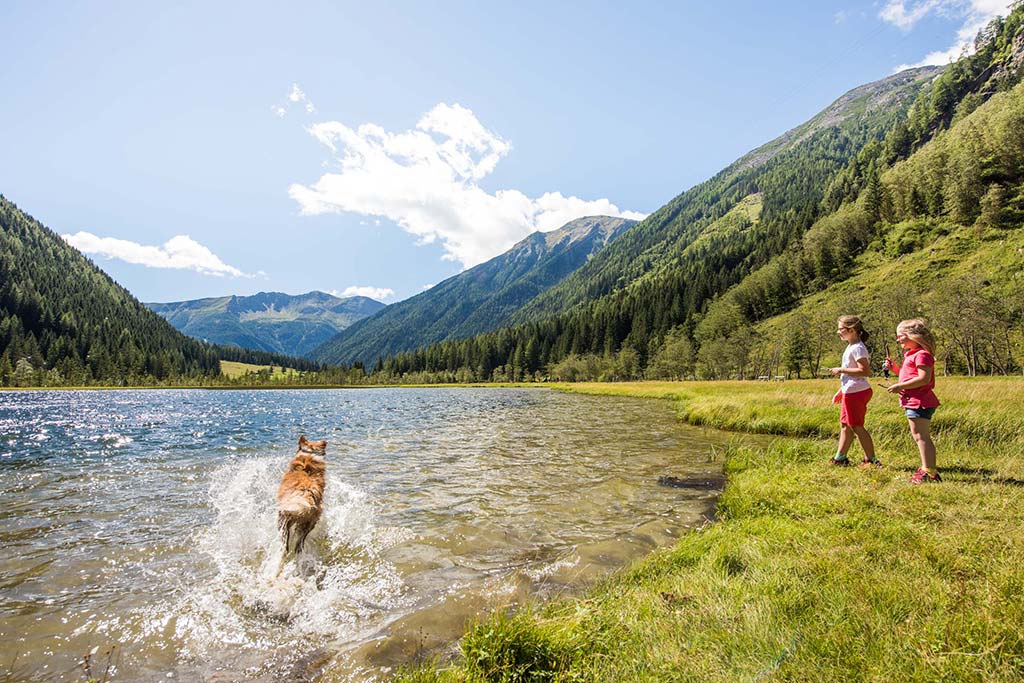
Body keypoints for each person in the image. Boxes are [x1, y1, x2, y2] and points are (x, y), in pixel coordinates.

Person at [884, 319, 941, 484]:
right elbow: (908, 374)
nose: (898, 339)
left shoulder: (922, 355)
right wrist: (894, 368)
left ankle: (929, 472)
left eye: (900, 336)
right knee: (919, 436)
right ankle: (928, 470)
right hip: (914, 400)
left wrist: (899, 386)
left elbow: (924, 379)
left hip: (920, 401)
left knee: (921, 437)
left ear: (912, 336)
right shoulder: (913, 354)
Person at [828, 315, 878, 467]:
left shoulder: (858, 348)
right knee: (846, 425)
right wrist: (841, 391)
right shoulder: (851, 346)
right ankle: (840, 458)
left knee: (856, 426)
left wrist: (841, 369)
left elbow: (865, 371)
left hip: (856, 392)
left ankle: (872, 460)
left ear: (852, 330)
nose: (839, 332)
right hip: (850, 391)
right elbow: (852, 376)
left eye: (841, 329)